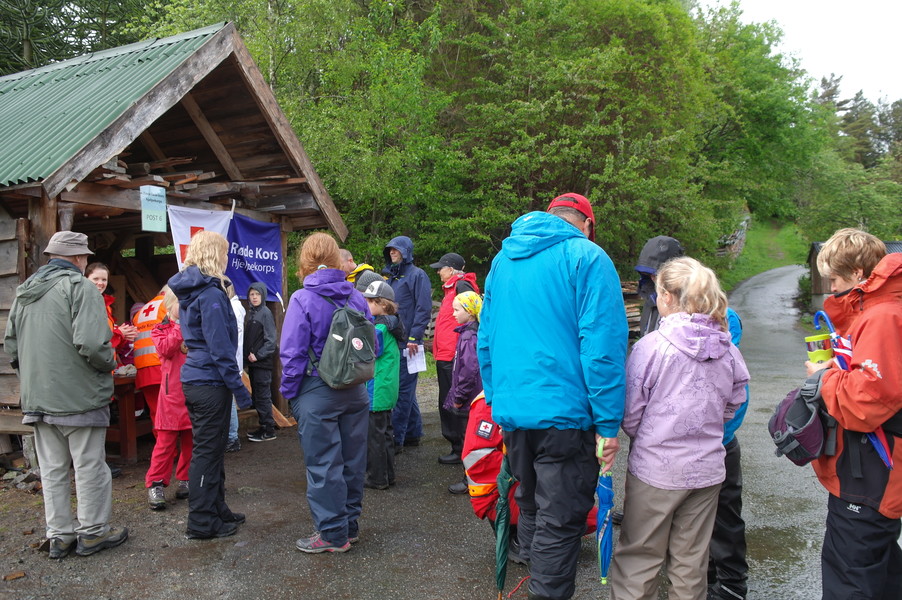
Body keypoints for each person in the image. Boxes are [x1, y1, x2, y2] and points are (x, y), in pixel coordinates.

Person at [476, 193, 628, 600]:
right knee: (559, 521)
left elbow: (486, 339)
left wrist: (497, 401)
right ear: (588, 225)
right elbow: (602, 348)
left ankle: (536, 581)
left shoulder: (502, 261)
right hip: (566, 416)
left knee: (531, 503)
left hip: (515, 413)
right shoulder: (588, 257)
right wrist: (608, 424)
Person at [610, 257, 749, 600]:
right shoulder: (727, 348)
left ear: (668, 297)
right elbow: (735, 401)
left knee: (639, 557)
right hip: (707, 470)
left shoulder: (652, 347)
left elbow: (631, 413)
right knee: (691, 563)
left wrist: (653, 437)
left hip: (656, 470)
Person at [5, 230, 128, 558]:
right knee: (89, 467)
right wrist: (111, 361)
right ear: (78, 258)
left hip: (38, 398)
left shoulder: (25, 291)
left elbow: (12, 347)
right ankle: (93, 533)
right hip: (80, 397)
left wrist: (32, 379)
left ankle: (59, 536)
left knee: (53, 470)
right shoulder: (81, 288)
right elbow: (92, 344)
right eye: (85, 256)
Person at [805, 228, 902, 600]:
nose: (831, 288)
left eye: (835, 279)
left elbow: (866, 402)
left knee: (850, 577)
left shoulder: (882, 317)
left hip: (872, 469)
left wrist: (823, 377)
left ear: (859, 273)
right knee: (880, 570)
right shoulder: (881, 310)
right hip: (874, 466)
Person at [281, 232, 371, 553]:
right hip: (355, 389)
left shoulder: (301, 299)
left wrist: (290, 393)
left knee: (323, 465)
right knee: (352, 462)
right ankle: (349, 526)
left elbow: (292, 353)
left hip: (317, 391)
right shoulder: (356, 297)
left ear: (305, 261)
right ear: (336, 259)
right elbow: (370, 344)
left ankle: (333, 534)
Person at [168, 231, 252, 540]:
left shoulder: (193, 291)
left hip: (197, 377)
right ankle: (202, 521)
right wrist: (241, 391)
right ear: (215, 255)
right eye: (225, 253)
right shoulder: (211, 294)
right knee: (207, 452)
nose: (227, 259)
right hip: (209, 380)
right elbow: (220, 349)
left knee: (212, 449)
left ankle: (217, 509)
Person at [462, 392, 598, 564]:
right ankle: (521, 539)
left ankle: (535, 532)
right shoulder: (488, 401)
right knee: (573, 514)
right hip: (496, 493)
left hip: (526, 480)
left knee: (587, 515)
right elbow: (477, 458)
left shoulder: (531, 389)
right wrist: (532, 472)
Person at [430, 252, 480, 466]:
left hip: (453, 354)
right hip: (446, 353)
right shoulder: (452, 287)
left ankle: (460, 447)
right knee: (447, 399)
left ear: (451, 269)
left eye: (441, 268)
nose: (438, 272)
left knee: (455, 401)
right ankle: (458, 445)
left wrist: (461, 348)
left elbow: (471, 314)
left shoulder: (461, 286)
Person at [382, 236, 431, 450]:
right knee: (407, 390)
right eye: (390, 250)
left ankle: (396, 440)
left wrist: (414, 337)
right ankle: (412, 433)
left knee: (402, 391)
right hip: (395, 340)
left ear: (406, 251)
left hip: (409, 343)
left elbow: (423, 308)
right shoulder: (392, 278)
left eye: (396, 249)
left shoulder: (417, 275)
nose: (392, 252)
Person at [146, 288, 192, 510]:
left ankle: (186, 479)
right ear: (171, 304)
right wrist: (179, 326)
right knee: (165, 444)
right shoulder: (160, 329)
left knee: (191, 441)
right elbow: (166, 349)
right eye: (180, 303)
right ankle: (155, 484)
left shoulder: (194, 327)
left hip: (191, 393)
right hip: (171, 395)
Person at [361, 280, 404, 490]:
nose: (366, 304)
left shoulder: (379, 327)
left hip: (376, 389)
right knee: (385, 434)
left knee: (374, 437)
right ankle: (388, 475)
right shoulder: (392, 324)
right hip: (386, 388)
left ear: (383, 304)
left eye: (371, 301)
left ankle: (377, 478)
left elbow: (370, 352)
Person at [444, 291, 483, 495]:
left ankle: (470, 481)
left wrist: (458, 398)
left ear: (469, 312)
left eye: (457, 310)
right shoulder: (468, 334)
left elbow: (468, 371)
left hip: (468, 400)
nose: (453, 314)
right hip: (470, 398)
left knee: (469, 440)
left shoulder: (469, 337)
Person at [85, 262, 138, 365]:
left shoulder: (107, 307)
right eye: (95, 279)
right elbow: (91, 338)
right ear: (85, 279)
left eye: (104, 280)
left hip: (106, 364)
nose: (100, 283)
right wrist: (119, 333)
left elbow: (110, 343)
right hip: (92, 366)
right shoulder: (83, 303)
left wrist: (122, 336)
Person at [244, 282, 277, 442]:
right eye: (252, 294)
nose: (254, 297)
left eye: (257, 294)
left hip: (262, 364)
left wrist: (258, 355)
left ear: (263, 295)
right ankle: (263, 426)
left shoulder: (265, 313)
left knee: (263, 397)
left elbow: (271, 341)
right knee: (257, 396)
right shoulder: (252, 313)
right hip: (254, 364)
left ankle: (269, 430)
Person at [132, 286, 168, 426]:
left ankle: (160, 440)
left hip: (144, 369)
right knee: (176, 415)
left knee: (156, 413)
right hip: (164, 367)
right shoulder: (170, 305)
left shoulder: (141, 311)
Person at [226, 283, 245, 453]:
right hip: (233, 360)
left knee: (229, 400)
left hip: (231, 360)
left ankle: (232, 437)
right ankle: (231, 436)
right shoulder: (236, 307)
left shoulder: (232, 308)